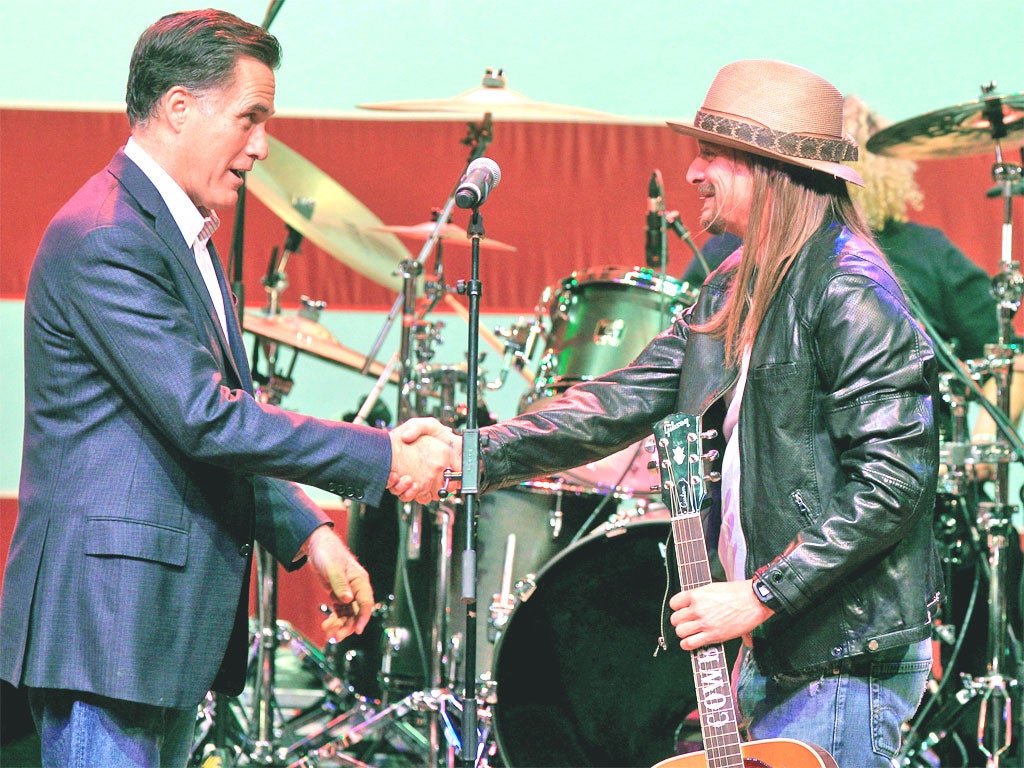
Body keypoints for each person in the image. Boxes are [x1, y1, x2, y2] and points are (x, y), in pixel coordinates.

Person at [394, 59, 943, 767]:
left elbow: (894, 483)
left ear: (764, 165)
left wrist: (759, 594)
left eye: (710, 154)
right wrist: (471, 452)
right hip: (780, 644)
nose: (693, 172)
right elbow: (617, 400)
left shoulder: (850, 293)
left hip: (841, 656)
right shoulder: (733, 286)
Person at [0, 10, 455, 768]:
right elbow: (206, 420)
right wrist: (382, 455)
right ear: (180, 107)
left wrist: (308, 533)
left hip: (149, 636)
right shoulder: (109, 235)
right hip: (108, 631)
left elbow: (184, 428)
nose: (262, 146)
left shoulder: (177, 232)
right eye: (251, 118)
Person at [683, 95, 1000, 368]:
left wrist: (984, 436)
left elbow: (1006, 358)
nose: (694, 173)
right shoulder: (728, 258)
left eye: (710, 154)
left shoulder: (888, 262)